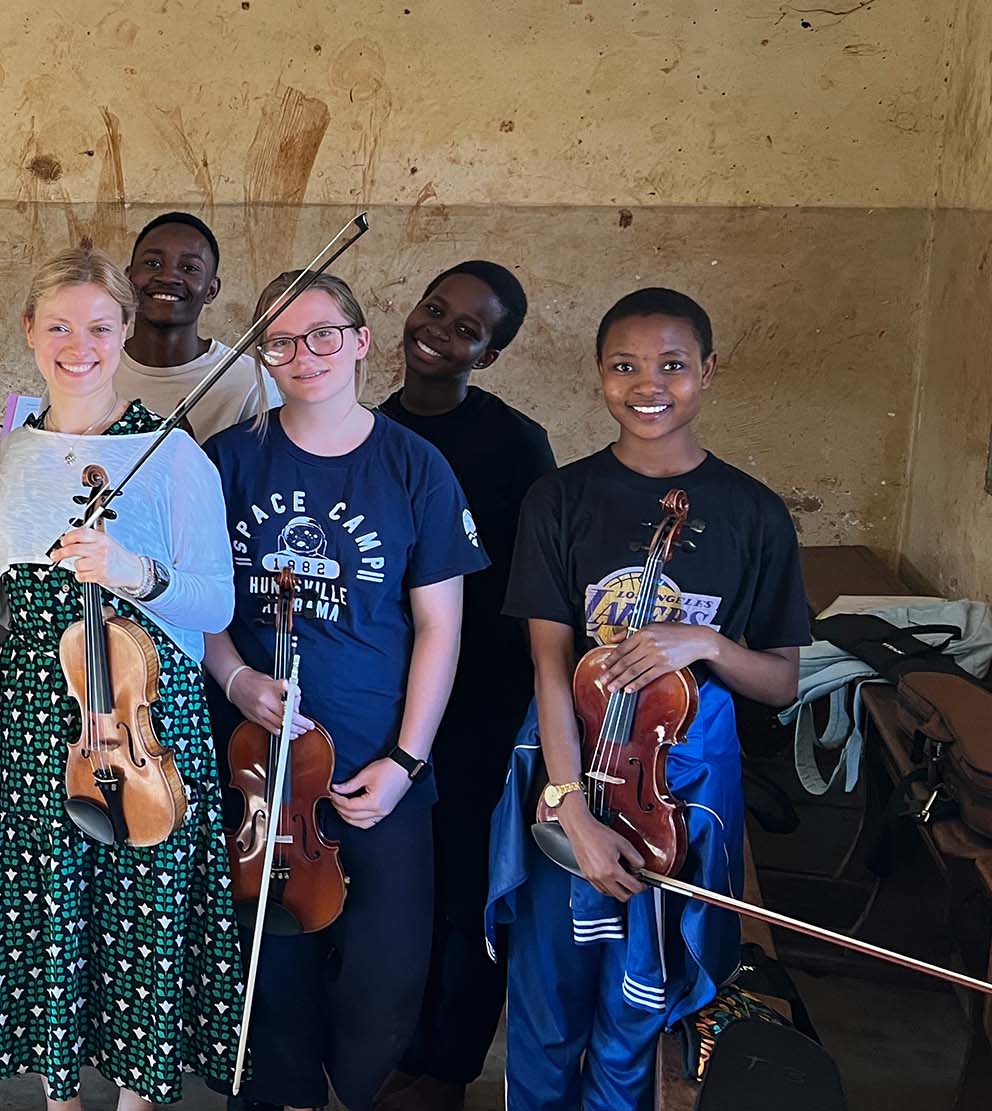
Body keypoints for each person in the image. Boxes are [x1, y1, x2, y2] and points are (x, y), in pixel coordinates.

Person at [488, 288, 808, 1111]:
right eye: (625, 365)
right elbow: (551, 667)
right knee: (548, 1004)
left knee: (641, 1008)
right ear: (600, 372)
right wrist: (570, 809)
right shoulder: (559, 499)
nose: (648, 384)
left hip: (686, 792)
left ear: (707, 369)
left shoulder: (755, 512)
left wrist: (703, 642)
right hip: (573, 770)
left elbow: (779, 679)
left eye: (672, 364)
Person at [201, 271, 482, 1111]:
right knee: (267, 971)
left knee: (385, 975)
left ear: (362, 340)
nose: (305, 353)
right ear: (262, 356)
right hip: (259, 769)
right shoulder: (231, 458)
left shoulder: (415, 466)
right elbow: (203, 604)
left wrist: (405, 758)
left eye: (324, 333)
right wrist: (239, 676)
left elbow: (440, 626)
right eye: (281, 340)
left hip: (376, 767)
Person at [0, 242, 242, 1110]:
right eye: (57, 325)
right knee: (54, 904)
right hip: (38, 720)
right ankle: (62, 1098)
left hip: (140, 720)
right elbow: (3, 600)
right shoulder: (14, 452)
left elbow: (214, 602)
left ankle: (135, 1100)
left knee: (139, 905)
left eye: (97, 325)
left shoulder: (171, 455)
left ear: (125, 330)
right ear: (29, 331)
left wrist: (131, 571)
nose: (76, 344)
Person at [372, 261, 556, 1111]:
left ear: (494, 352)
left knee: (464, 886)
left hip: (479, 699)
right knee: (396, 885)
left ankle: (448, 1065)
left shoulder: (516, 443)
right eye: (434, 307)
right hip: (388, 694)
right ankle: (400, 1047)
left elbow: (533, 586)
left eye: (468, 328)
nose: (440, 330)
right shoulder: (366, 430)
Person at [115, 211, 280, 439]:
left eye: (189, 268)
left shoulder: (249, 384)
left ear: (211, 290)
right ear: (128, 278)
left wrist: (194, 461)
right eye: (153, 263)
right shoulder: (92, 367)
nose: (168, 277)